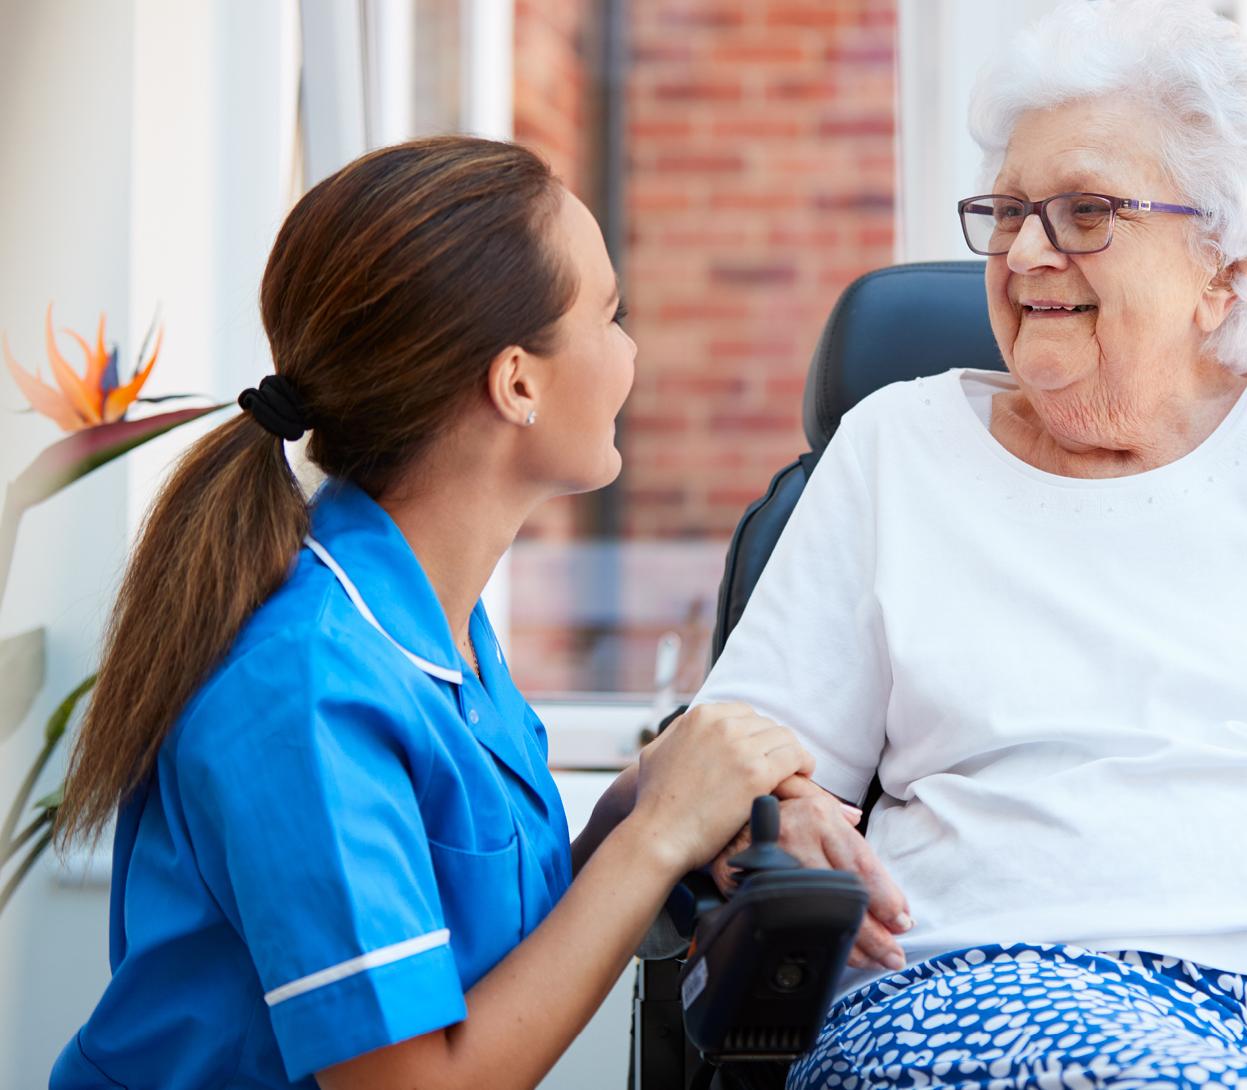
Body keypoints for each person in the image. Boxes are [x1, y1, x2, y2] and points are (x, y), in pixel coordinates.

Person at [682, 2, 1247, 1088]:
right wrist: (780, 814)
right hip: (999, 978)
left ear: (1228, 266)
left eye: (1083, 212)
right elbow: (720, 767)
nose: (1026, 252)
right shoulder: (897, 447)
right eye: (1008, 210)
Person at [47, 136, 827, 1090]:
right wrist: (658, 837)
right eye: (611, 315)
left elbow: (468, 953)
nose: (630, 352)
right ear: (518, 382)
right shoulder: (305, 684)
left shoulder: (434, 629)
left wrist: (635, 812)